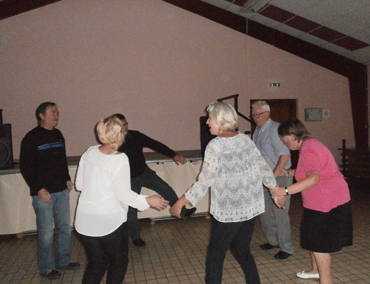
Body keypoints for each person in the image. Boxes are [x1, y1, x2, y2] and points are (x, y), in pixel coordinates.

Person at [170, 101, 281, 284]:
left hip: (230, 211)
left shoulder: (216, 146)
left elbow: (205, 180)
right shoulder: (245, 140)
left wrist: (182, 201)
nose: (207, 122)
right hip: (250, 209)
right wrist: (273, 189)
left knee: (215, 256)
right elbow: (263, 168)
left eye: (210, 118)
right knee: (241, 250)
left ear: (221, 120)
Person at [74, 115, 169, 284]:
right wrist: (149, 200)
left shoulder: (89, 151)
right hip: (109, 222)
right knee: (119, 262)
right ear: (120, 134)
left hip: (84, 221)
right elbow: (124, 195)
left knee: (97, 263)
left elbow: (80, 185)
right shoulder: (119, 158)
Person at [270, 118, 352, 284]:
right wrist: (290, 173)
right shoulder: (311, 144)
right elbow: (311, 170)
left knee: (319, 244)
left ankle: (326, 281)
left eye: (282, 137)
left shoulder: (308, 149)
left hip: (326, 203)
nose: (282, 141)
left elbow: (314, 178)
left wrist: (284, 191)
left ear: (292, 135)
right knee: (313, 238)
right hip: (328, 199)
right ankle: (315, 271)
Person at [114, 113, 196, 246]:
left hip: (144, 172)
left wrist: (173, 154)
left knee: (165, 188)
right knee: (131, 209)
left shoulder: (135, 135)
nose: (126, 127)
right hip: (128, 179)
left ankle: (182, 211)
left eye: (126, 123)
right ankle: (135, 237)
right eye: (122, 125)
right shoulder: (113, 143)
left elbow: (155, 144)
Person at [20, 102, 80, 280]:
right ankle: (46, 268)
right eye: (53, 112)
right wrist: (38, 189)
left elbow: (61, 159)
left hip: (61, 189)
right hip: (43, 193)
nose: (57, 115)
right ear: (41, 116)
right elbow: (26, 166)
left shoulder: (58, 134)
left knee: (64, 228)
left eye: (57, 112)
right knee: (46, 233)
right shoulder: (31, 138)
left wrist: (67, 178)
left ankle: (63, 261)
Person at [251, 101, 294, 259]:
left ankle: (286, 248)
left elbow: (285, 155)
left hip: (280, 177)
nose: (255, 118)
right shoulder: (258, 130)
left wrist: (273, 178)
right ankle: (273, 241)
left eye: (258, 114)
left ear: (267, 113)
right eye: (253, 115)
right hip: (264, 177)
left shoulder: (275, 129)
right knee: (265, 212)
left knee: (280, 213)